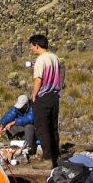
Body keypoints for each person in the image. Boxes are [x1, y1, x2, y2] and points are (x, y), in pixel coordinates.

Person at [29, 34, 61, 169]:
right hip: (54, 96)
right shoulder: (55, 57)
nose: (30, 49)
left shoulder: (40, 60)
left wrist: (33, 95)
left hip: (43, 97)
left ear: (37, 45)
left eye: (31, 46)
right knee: (53, 127)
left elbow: (38, 80)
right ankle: (55, 155)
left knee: (42, 128)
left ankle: (47, 159)